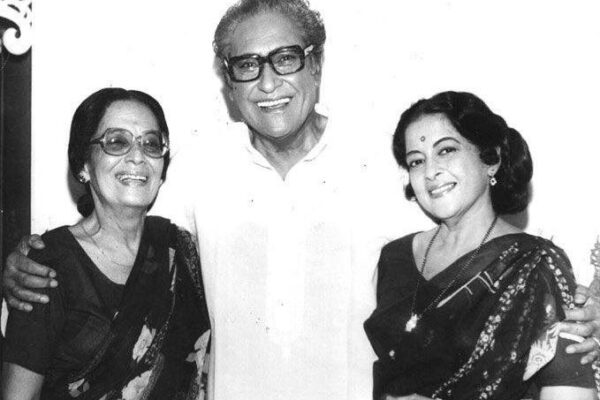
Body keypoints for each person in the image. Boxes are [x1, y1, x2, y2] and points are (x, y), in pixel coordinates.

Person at [3, 1, 600, 399]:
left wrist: (583, 304)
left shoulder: (382, 160)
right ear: (228, 81)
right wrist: (26, 259)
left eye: (286, 58)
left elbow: (478, 242)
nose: (268, 83)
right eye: (247, 65)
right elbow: (114, 226)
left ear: (316, 65)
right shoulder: (198, 166)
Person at [364, 91, 598, 400]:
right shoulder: (393, 258)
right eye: (417, 161)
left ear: (491, 160)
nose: (430, 172)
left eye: (446, 150)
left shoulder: (534, 265)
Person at [2, 88, 211, 399]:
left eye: (151, 144)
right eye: (116, 142)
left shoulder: (184, 252)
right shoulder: (46, 265)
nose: (138, 156)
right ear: (83, 165)